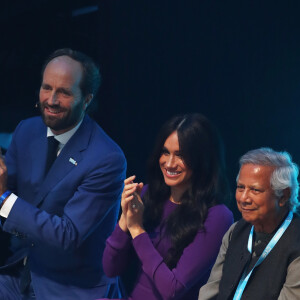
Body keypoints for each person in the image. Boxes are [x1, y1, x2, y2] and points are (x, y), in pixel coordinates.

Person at [0, 48, 126, 299]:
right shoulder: (27, 130)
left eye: (64, 92)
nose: (51, 100)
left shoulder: (107, 158)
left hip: (70, 286)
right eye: (47, 88)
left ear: (87, 99)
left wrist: (3, 197)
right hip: (21, 269)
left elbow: (67, 235)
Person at [100, 113, 233, 300]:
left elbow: (172, 289)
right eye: (165, 152)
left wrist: (137, 230)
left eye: (180, 155)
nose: (169, 163)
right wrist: (124, 220)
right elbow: (110, 268)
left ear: (202, 159)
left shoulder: (218, 216)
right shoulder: (147, 195)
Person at [198, 147, 300, 300]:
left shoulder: (296, 242)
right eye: (240, 187)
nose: (243, 198)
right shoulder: (235, 231)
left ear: (283, 196)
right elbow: (211, 291)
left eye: (255, 190)